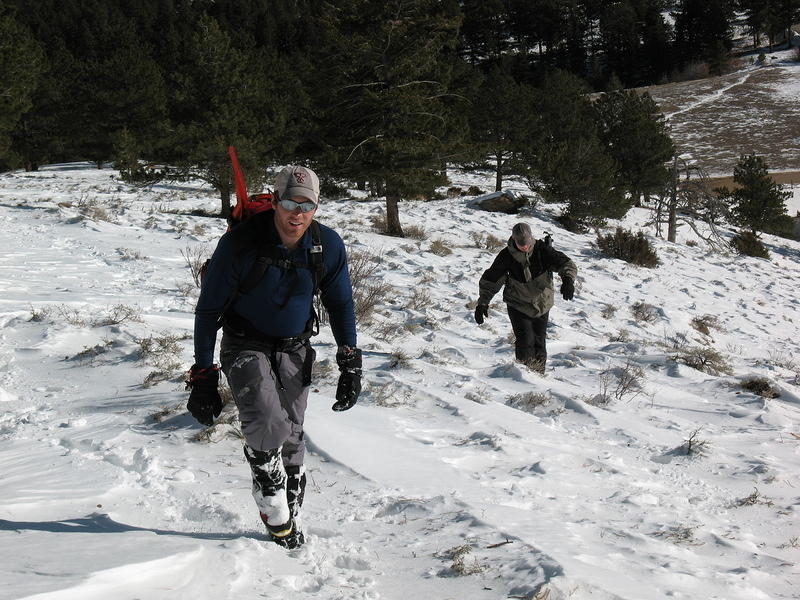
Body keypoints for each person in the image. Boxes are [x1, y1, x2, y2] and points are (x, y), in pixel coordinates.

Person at [186, 165, 362, 549]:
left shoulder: (326, 244)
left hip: (296, 345)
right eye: (288, 201)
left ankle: (289, 515)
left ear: (316, 206)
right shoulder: (242, 243)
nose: (296, 213)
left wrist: (350, 360)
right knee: (267, 422)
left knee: (294, 434)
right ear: (275, 201)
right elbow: (208, 311)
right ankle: (271, 500)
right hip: (244, 343)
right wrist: (203, 375)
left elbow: (341, 303)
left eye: (307, 204)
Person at [475, 222, 577, 374]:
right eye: (521, 244)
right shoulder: (506, 257)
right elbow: (491, 280)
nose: (525, 247)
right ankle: (524, 376)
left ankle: (538, 374)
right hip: (518, 304)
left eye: (527, 244)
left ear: (531, 238)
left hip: (542, 303)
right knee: (525, 341)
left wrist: (568, 279)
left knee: (539, 342)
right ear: (514, 240)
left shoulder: (542, 250)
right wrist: (482, 303)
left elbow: (565, 263)